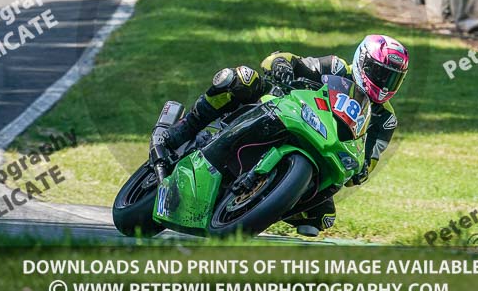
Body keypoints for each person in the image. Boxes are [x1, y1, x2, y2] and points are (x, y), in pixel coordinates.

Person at [149, 34, 409, 236]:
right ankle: (179, 132)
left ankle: (256, 203)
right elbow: (284, 59)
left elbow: (371, 156)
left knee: (321, 217)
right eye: (380, 73)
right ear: (362, 60)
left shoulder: (386, 119)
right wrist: (282, 65)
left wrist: (363, 171)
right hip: (281, 108)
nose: (385, 83)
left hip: (326, 147)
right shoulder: (336, 67)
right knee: (240, 78)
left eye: (392, 79)